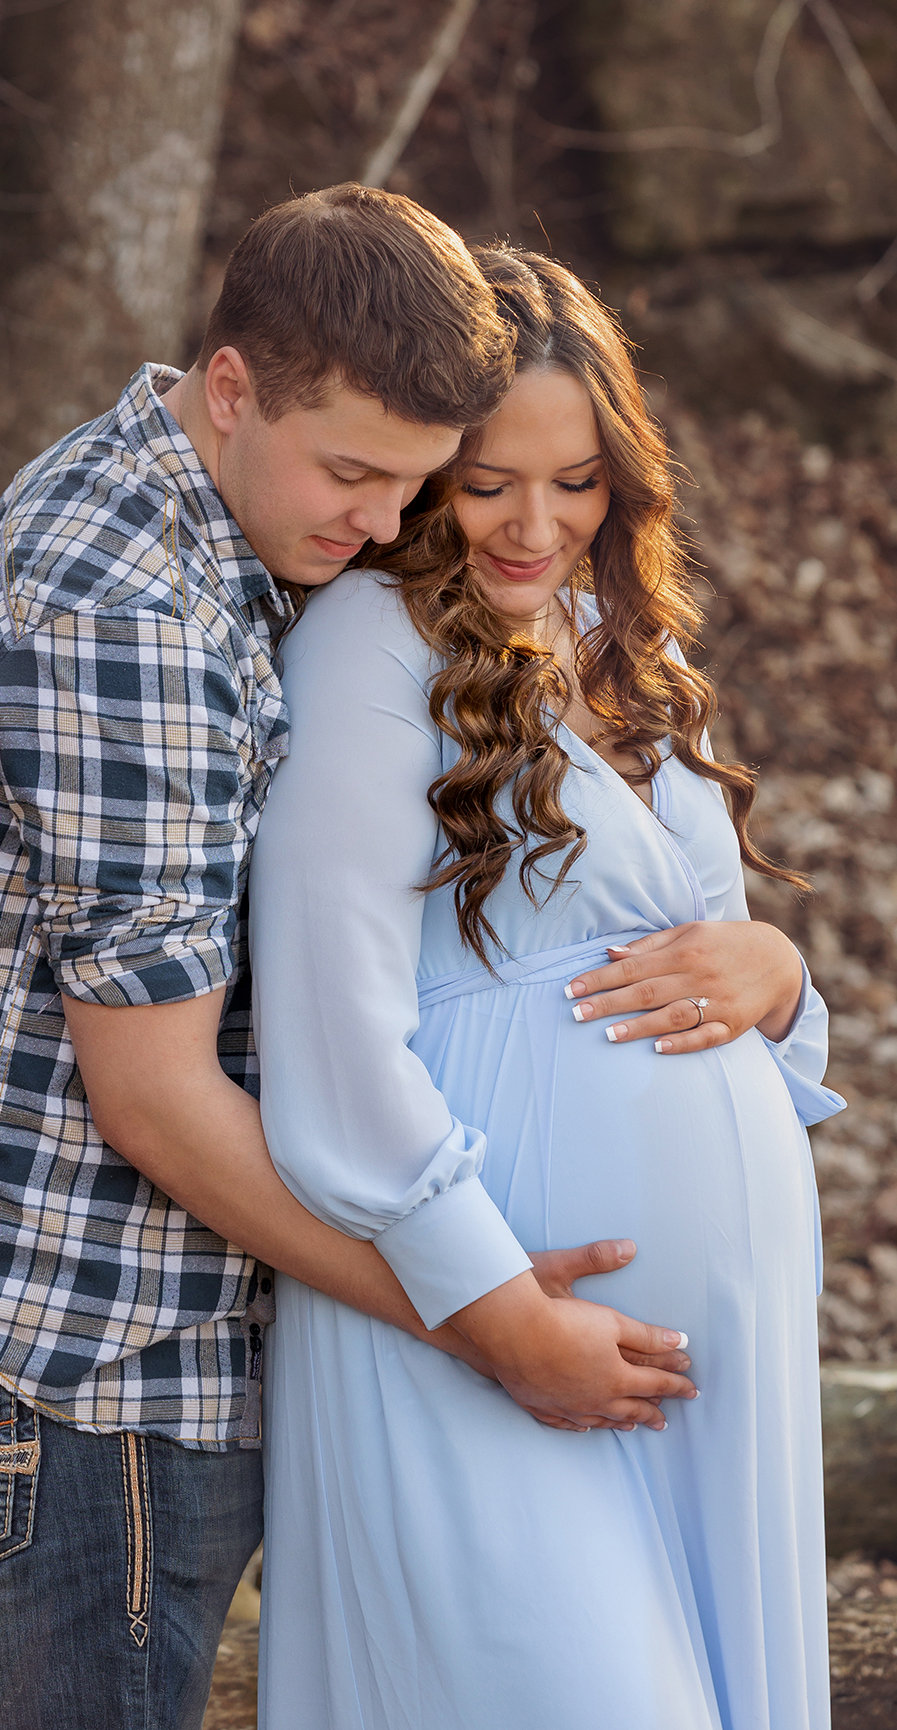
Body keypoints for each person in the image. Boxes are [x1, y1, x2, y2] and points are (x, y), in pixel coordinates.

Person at [0, 190, 695, 1730]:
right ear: (235, 384)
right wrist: (488, 1318)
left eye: (410, 484)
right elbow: (157, 1100)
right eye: (352, 473)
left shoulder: (128, 484)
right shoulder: (137, 618)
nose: (381, 527)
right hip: (66, 1372)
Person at [250, 246, 845, 1729]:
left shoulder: (610, 646)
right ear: (425, 473)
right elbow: (332, 1040)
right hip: (477, 1327)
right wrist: (491, 1304)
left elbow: (710, 967)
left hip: (696, 1350)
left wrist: (778, 981)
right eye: (487, 482)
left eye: (575, 481)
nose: (535, 525)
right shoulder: (366, 650)